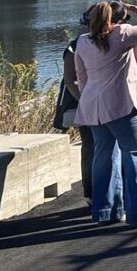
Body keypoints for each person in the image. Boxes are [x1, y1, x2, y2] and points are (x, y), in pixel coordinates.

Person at [73, 0, 137, 227]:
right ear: (118, 20)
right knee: (134, 154)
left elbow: (81, 78)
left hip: (94, 108)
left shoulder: (82, 42)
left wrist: (90, 97)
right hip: (122, 105)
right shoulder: (121, 35)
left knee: (103, 157)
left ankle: (105, 210)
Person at [52, 29, 93, 203]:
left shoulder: (109, 40)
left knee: (100, 148)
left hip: (103, 103)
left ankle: (107, 190)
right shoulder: (75, 46)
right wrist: (85, 103)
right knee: (90, 146)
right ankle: (91, 192)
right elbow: (70, 80)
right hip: (85, 104)